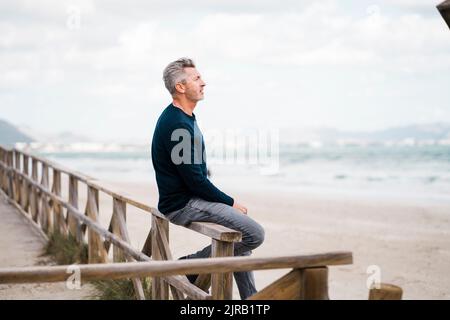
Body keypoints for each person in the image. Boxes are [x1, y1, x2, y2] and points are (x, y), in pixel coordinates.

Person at [151, 57, 265, 299]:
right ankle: (190, 266)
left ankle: (251, 299)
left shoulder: (182, 116)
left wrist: (223, 202)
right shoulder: (178, 124)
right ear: (180, 87)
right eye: (197, 78)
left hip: (190, 197)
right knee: (255, 234)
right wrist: (229, 202)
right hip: (183, 204)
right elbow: (195, 181)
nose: (204, 82)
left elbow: (195, 173)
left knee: (239, 236)